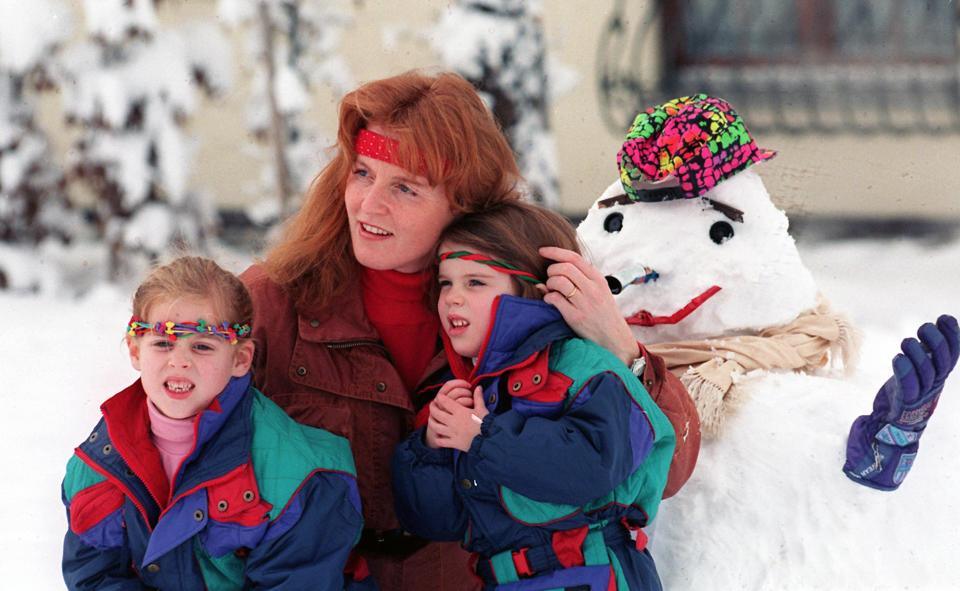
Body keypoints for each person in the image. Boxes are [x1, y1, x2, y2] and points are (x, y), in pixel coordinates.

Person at [241, 69, 699, 591]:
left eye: (405, 187)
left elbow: (667, 468)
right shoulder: (274, 301)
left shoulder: (519, 307)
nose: (368, 205)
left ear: (461, 202)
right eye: (363, 173)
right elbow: (170, 441)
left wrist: (618, 345)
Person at [392, 201, 674, 590]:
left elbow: (592, 467)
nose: (452, 297)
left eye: (475, 282)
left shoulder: (585, 366)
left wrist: (481, 438)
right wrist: (431, 448)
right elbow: (436, 522)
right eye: (445, 283)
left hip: (589, 572)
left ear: (531, 293)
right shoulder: (475, 391)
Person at [61, 256, 365, 590]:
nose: (179, 361)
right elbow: (93, 576)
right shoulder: (99, 463)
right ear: (135, 351)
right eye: (163, 343)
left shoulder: (302, 477)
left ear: (240, 359)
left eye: (202, 346)